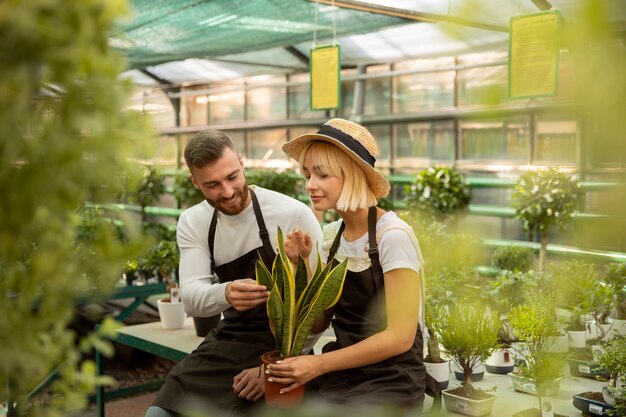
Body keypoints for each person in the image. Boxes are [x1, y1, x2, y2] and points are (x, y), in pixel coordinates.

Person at [145, 130, 323, 417]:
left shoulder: (292, 214)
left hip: (287, 349)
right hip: (229, 341)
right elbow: (190, 299)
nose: (227, 192)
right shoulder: (195, 221)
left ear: (242, 162)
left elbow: (317, 311)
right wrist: (225, 293)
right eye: (212, 185)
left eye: (232, 177)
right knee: (159, 413)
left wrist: (272, 369)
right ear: (194, 182)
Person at [271, 118, 426, 407]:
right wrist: (299, 266)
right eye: (307, 175)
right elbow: (318, 322)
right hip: (343, 374)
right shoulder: (330, 239)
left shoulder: (392, 236)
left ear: (352, 175)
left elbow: (400, 338)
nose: (310, 185)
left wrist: (318, 365)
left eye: (322, 175)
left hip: (391, 381)